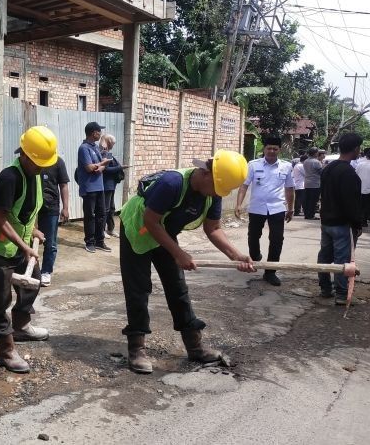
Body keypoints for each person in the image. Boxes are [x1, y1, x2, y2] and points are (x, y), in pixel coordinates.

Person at [119, 150, 254, 374]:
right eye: (218, 187)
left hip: (165, 233)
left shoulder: (213, 192)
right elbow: (151, 221)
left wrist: (235, 255)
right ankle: (136, 349)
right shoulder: (172, 183)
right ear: (205, 173)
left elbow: (213, 228)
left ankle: (195, 346)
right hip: (139, 230)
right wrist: (179, 253)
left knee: (177, 287)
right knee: (138, 289)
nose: (218, 193)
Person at [0, 126, 57, 373]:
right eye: (37, 163)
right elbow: (0, 218)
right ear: (23, 154)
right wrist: (24, 246)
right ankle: (6, 351)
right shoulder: (8, 178)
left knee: (32, 281)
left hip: (18, 247)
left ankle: (21, 326)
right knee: (0, 300)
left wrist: (32, 231)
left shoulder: (34, 175)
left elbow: (28, 209)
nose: (41, 167)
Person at [234, 135, 295, 286]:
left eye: (275, 148)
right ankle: (255, 256)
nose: (272, 151)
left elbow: (289, 189)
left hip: (277, 208)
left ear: (279, 150)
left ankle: (270, 272)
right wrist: (238, 204)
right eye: (269, 148)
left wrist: (291, 208)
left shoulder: (286, 166)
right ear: (264, 149)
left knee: (277, 240)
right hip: (257, 207)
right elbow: (244, 186)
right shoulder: (253, 165)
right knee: (253, 236)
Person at [317, 133, 363, 305]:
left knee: (324, 256)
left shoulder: (328, 168)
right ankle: (342, 295)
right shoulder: (348, 173)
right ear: (356, 149)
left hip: (326, 221)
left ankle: (325, 288)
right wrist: (357, 223)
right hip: (342, 223)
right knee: (342, 260)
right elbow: (351, 203)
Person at [77, 122, 112, 253]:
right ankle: (89, 242)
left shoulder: (96, 148)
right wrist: (102, 163)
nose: (100, 134)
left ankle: (99, 241)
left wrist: (100, 166)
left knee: (101, 214)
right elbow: (89, 167)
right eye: (99, 132)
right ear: (93, 133)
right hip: (89, 188)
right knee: (90, 216)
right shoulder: (84, 148)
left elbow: (99, 167)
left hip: (99, 187)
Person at [37, 155, 70, 287]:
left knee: (50, 243)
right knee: (26, 239)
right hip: (31, 207)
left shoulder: (58, 161)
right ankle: (27, 269)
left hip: (50, 208)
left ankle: (46, 271)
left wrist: (65, 208)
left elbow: (63, 185)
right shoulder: (34, 160)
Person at [99, 134, 125, 238]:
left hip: (111, 185)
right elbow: (105, 169)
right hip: (106, 185)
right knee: (105, 209)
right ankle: (102, 230)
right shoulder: (103, 152)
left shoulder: (108, 152)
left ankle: (110, 229)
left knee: (111, 208)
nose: (113, 145)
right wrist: (120, 167)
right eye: (113, 143)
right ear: (108, 141)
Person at [302, 147, 323, 219]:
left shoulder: (306, 161)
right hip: (315, 184)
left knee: (307, 200)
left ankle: (307, 214)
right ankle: (311, 215)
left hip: (307, 183)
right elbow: (321, 172)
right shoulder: (316, 162)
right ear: (315, 153)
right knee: (313, 201)